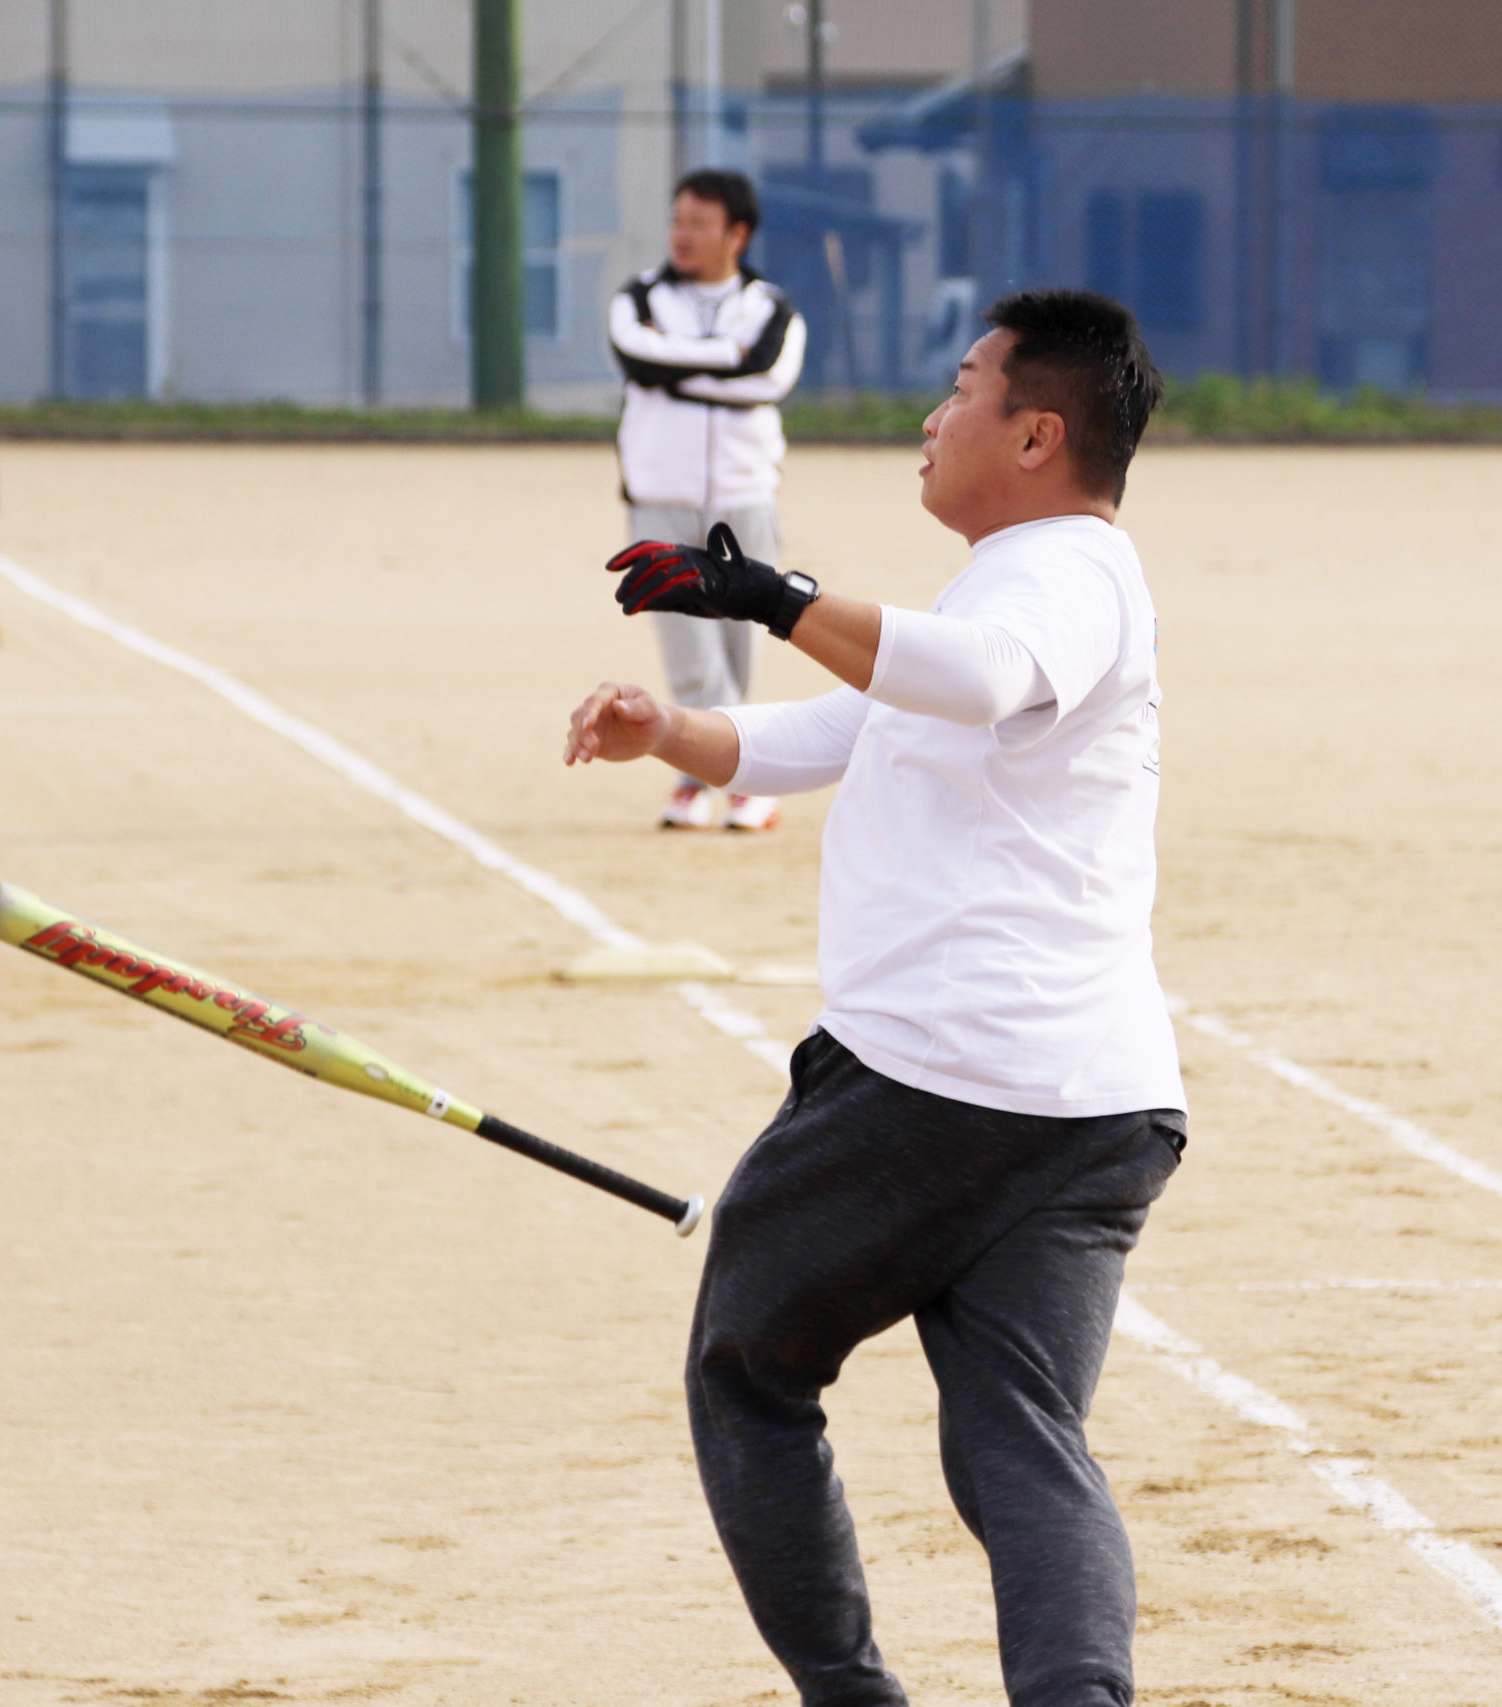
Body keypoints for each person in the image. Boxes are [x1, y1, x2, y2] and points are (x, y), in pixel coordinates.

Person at [567, 290, 1182, 1707]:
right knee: (1021, 1440)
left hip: (938, 1085)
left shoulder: (1066, 578)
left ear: (1036, 431)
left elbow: (972, 678)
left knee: (747, 1367)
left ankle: (851, 1694)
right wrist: (676, 727)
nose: (931, 412)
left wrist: (772, 595)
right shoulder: (1014, 576)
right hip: (1093, 1107)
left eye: (960, 387)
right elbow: (850, 723)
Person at [606, 168, 807, 831]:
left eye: (699, 222)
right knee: (688, 647)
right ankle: (735, 775)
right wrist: (726, 361)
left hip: (745, 494)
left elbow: (767, 378)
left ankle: (707, 772)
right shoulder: (638, 298)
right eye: (677, 220)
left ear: (737, 233)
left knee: (738, 642)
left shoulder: (773, 308)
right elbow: (639, 359)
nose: (682, 234)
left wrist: (679, 369)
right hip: (660, 495)